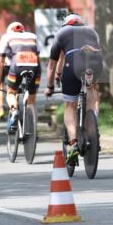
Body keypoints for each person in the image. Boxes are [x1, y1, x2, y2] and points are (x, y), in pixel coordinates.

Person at [44, 12, 103, 164]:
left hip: (73, 64)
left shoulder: (61, 33)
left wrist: (50, 86)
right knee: (92, 91)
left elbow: (52, 64)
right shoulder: (91, 31)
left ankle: (73, 143)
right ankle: (93, 128)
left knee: (70, 106)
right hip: (95, 63)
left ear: (65, 24)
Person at [0, 21, 41, 133]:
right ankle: (33, 130)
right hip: (35, 66)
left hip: (16, 65)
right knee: (32, 100)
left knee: (10, 93)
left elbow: (0, 63)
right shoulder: (33, 36)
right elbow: (38, 55)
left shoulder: (6, 37)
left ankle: (14, 110)